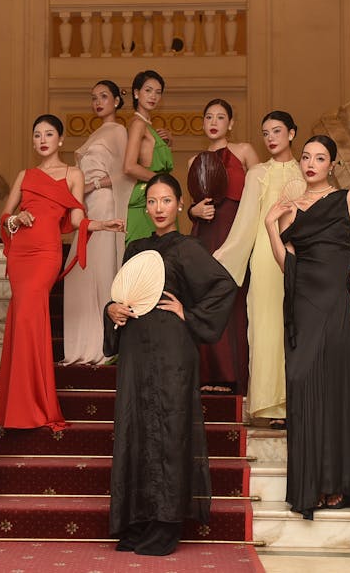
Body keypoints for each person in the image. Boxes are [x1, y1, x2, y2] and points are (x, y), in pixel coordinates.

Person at [106, 173, 237, 556]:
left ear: (179, 204)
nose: (158, 208)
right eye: (152, 202)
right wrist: (111, 310)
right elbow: (121, 294)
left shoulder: (189, 247)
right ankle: (139, 520)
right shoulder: (135, 248)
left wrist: (189, 313)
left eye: (166, 201)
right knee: (137, 428)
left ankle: (166, 524)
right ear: (145, 207)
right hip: (135, 350)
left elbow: (223, 286)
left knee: (168, 430)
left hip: (173, 352)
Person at [264, 135, 350, 520]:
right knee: (302, 381)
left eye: (320, 158)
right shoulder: (289, 209)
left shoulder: (348, 199)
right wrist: (272, 224)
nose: (311, 163)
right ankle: (309, 485)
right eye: (306, 157)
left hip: (334, 295)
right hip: (302, 298)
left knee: (333, 385)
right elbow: (285, 265)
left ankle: (335, 484)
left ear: (331, 165)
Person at [0, 114, 124, 431]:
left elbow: (77, 218)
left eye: (49, 134)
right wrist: (16, 219)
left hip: (46, 254)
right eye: (37, 134)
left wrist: (101, 224)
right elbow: (5, 216)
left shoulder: (73, 174)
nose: (42, 139)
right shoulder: (25, 176)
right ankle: (19, 404)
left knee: (26, 316)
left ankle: (33, 404)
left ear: (60, 140)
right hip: (22, 252)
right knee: (23, 317)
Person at [213, 111, 305, 427]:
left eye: (277, 131)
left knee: (296, 328)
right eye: (265, 133)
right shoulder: (257, 174)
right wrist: (220, 260)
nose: (270, 138)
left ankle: (298, 400)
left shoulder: (306, 171)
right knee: (265, 327)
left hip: (302, 257)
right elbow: (245, 223)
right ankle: (270, 405)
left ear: (292, 133)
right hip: (266, 256)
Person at [187, 99, 259, 394]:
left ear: (231, 123)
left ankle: (236, 376)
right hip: (206, 232)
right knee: (207, 299)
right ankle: (210, 375)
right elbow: (191, 205)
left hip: (238, 230)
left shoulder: (244, 151)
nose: (213, 121)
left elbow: (261, 192)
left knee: (236, 299)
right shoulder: (193, 161)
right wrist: (194, 212)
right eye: (208, 117)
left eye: (220, 117)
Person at [62, 80, 132, 365]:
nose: (98, 102)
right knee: (81, 271)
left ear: (116, 100)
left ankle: (103, 346)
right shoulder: (97, 133)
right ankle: (81, 346)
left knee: (101, 269)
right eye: (94, 98)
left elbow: (126, 173)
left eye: (104, 96)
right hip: (86, 205)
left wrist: (92, 185)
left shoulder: (118, 131)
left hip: (103, 202)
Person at [123, 70, 174, 244]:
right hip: (145, 197)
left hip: (155, 194)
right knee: (145, 256)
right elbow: (129, 166)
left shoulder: (148, 125)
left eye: (158, 92)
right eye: (148, 90)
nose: (153, 96)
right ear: (136, 93)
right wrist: (161, 181)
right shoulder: (138, 124)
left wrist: (166, 142)